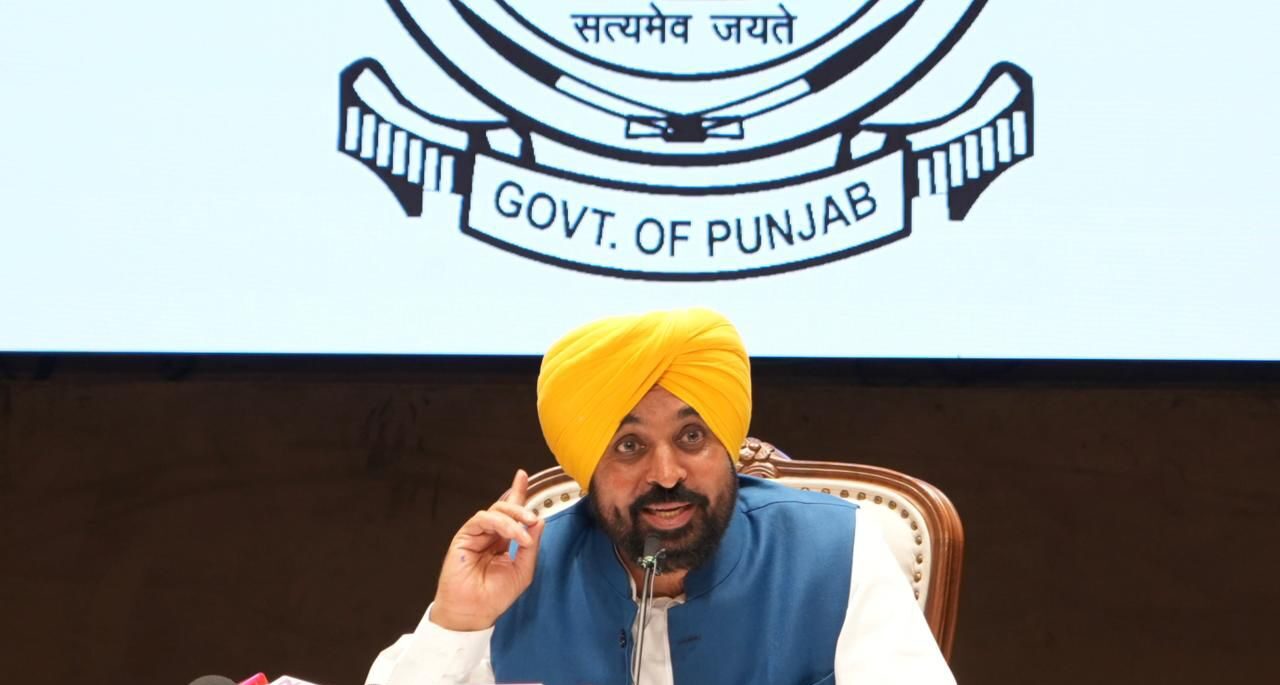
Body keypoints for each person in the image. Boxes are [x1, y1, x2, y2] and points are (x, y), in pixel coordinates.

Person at [366, 308, 955, 685]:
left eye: (692, 437)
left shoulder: (835, 551)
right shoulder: (522, 573)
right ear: (587, 469)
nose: (667, 474)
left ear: (728, 446)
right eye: (629, 446)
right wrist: (458, 622)